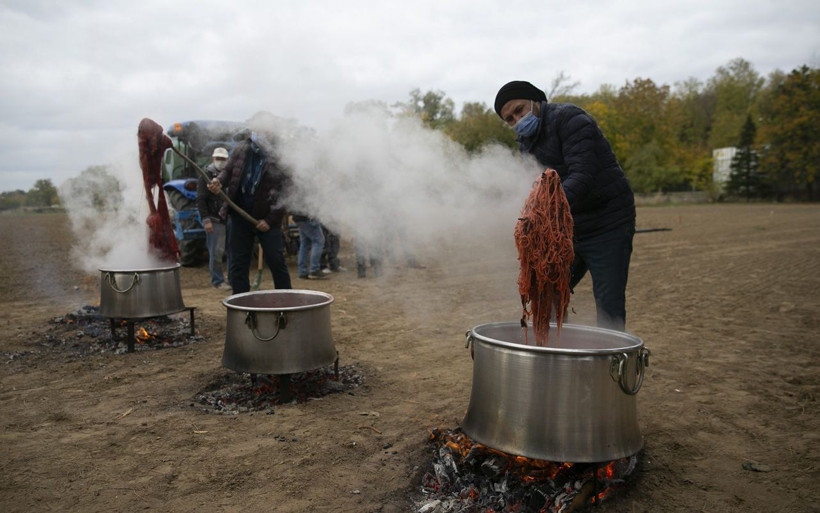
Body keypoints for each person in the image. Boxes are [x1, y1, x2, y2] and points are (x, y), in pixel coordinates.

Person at [494, 80, 636, 331]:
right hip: (569, 230)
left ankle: (613, 353)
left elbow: (582, 175)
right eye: (510, 119)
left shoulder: (570, 119)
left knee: (608, 303)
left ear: (536, 101)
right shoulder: (525, 143)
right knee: (547, 294)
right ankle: (555, 347)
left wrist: (542, 210)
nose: (517, 120)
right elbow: (535, 185)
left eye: (519, 110)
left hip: (608, 223)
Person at [207, 133, 292, 294]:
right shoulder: (241, 148)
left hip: (267, 218)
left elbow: (287, 193)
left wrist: (270, 220)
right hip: (240, 215)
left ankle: (286, 298)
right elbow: (228, 171)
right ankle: (239, 300)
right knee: (238, 262)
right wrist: (219, 181)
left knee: (275, 260)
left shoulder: (281, 157)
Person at [197, 147, 232, 290]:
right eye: (218, 159)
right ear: (213, 159)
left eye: (223, 159)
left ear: (227, 160)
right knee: (217, 252)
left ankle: (232, 278)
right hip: (214, 219)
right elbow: (201, 199)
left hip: (229, 218)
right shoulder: (206, 175)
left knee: (232, 251)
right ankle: (217, 281)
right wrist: (206, 220)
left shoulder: (229, 176)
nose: (220, 161)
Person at [292, 213, 326, 280]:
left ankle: (302, 272)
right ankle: (314, 270)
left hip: (299, 218)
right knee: (319, 241)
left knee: (305, 244)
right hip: (308, 218)